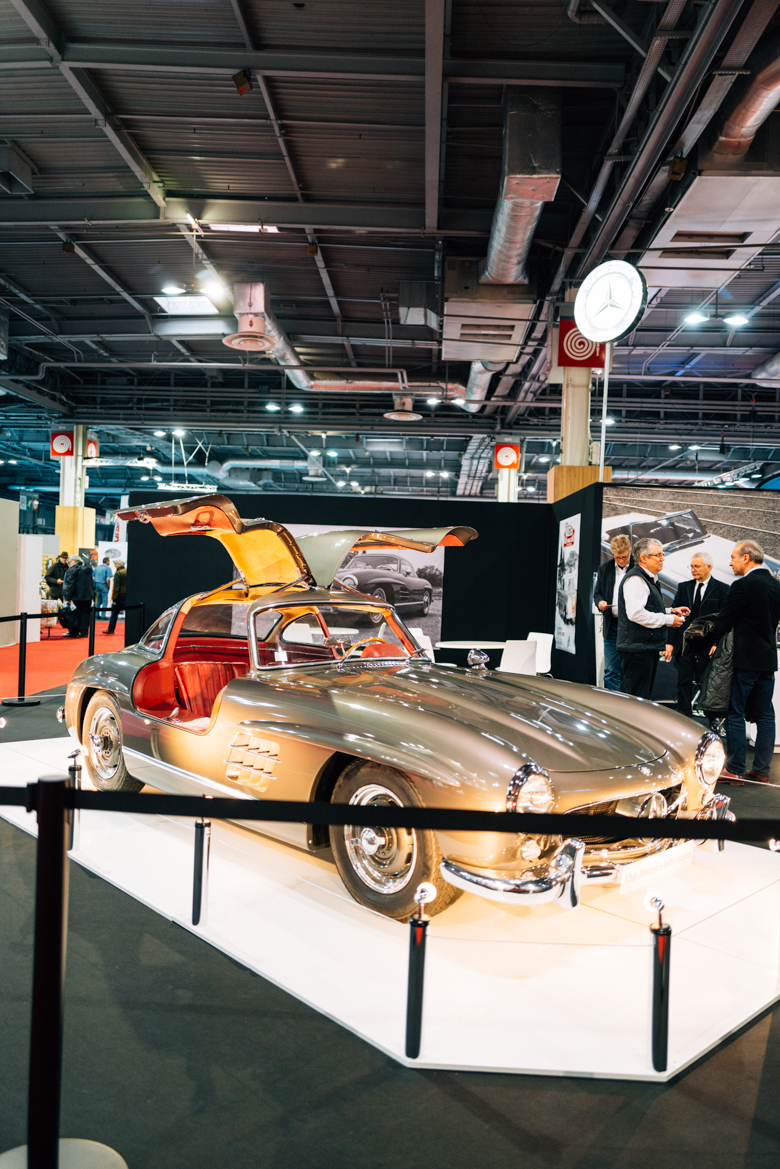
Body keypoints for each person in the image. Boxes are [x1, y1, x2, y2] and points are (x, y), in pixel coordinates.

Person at [710, 540, 780, 785]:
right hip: (768, 660)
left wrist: (707, 641)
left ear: (747, 558)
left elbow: (724, 620)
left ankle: (736, 769)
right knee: (765, 716)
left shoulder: (742, 585)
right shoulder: (776, 585)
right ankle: (761, 770)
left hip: (745, 661)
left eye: (733, 557)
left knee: (735, 712)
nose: (730, 562)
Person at [616, 538, 689, 699]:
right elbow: (635, 614)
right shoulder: (636, 579)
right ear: (643, 558)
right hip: (637, 650)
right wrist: (669, 620)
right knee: (637, 699)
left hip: (643, 648)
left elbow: (647, 608)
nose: (662, 558)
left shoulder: (646, 578)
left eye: (662, 554)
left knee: (641, 697)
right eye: (658, 555)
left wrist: (671, 611)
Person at [665, 553, 730, 717]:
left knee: (708, 684)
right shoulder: (684, 587)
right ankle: (684, 718)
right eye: (691, 566)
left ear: (708, 567)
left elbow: (724, 620)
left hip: (707, 647)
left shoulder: (722, 589)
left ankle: (712, 721)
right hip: (685, 645)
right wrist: (670, 643)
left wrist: (718, 643)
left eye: (697, 566)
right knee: (683, 683)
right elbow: (675, 616)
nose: (693, 570)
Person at [593, 534, 632, 691]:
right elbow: (597, 594)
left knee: (630, 670)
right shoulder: (605, 569)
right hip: (612, 625)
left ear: (629, 552)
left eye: (624, 557)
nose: (621, 560)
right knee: (610, 671)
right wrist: (600, 603)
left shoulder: (638, 568)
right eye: (618, 557)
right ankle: (614, 704)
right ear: (612, 554)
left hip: (633, 626)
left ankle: (631, 704)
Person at [62, 555, 95, 638]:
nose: (68, 564)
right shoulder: (87, 569)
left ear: (73, 561)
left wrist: (67, 597)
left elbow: (70, 585)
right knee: (85, 615)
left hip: (76, 596)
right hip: (87, 596)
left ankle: (74, 632)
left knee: (74, 615)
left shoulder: (73, 570)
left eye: (69, 562)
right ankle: (84, 632)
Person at [106, 560, 127, 635]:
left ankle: (111, 628)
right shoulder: (126, 571)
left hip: (119, 596)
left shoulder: (118, 573)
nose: (115, 565)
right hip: (126, 595)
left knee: (114, 613)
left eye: (115, 563)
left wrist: (114, 599)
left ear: (119, 564)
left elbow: (116, 587)